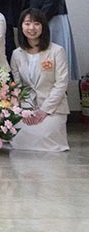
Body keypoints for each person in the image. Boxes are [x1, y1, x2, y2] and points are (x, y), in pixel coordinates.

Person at [10, 9, 69, 152]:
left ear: (43, 27)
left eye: (36, 23)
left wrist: (44, 110)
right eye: (27, 23)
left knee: (45, 133)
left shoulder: (56, 51)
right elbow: (18, 86)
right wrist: (26, 111)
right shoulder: (16, 54)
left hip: (52, 107)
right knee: (19, 131)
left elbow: (61, 84)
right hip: (27, 106)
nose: (31, 28)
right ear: (21, 26)